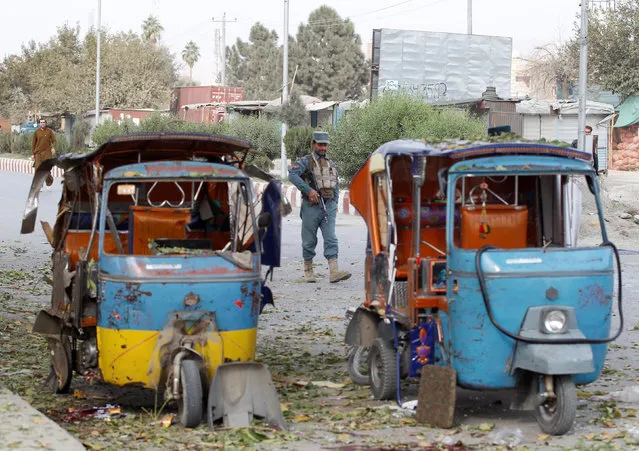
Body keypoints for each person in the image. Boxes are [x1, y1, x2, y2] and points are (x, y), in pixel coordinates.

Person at [288, 131, 351, 283]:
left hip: (328, 206)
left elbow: (334, 182)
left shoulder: (331, 163)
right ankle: (308, 271)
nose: (323, 148)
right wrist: (309, 191)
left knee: (331, 238)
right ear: (314, 144)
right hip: (311, 206)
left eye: (325, 145)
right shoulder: (305, 161)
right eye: (320, 144)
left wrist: (335, 202)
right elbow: (292, 175)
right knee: (309, 240)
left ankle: (334, 271)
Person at [31, 118, 56, 187]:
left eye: (44, 122)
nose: (42, 123)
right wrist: (33, 154)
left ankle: (49, 180)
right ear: (39, 123)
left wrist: (53, 148)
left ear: (46, 123)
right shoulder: (37, 132)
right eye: (41, 122)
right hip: (38, 153)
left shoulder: (49, 131)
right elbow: (33, 143)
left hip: (47, 153)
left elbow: (54, 140)